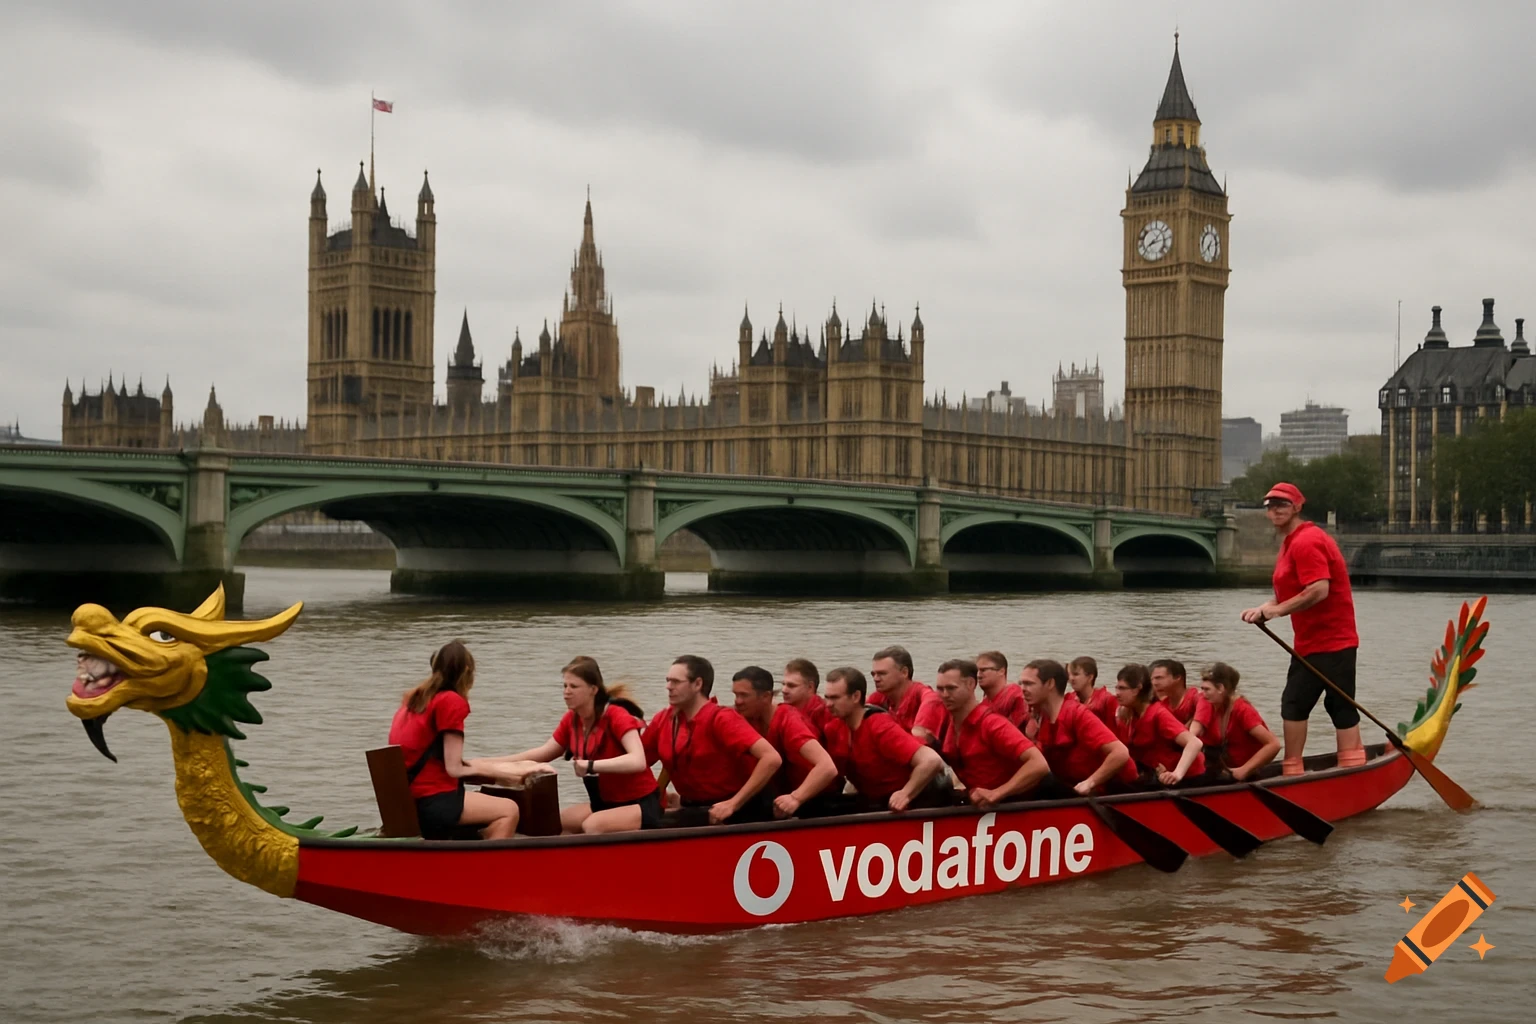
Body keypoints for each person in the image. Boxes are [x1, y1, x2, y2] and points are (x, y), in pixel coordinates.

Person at [1241, 481, 1365, 775]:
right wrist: (1264, 609)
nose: (1275, 510)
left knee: (1328, 704)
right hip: (1310, 642)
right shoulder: (1290, 542)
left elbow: (1319, 589)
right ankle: (1297, 768)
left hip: (1334, 640)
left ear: (1297, 507)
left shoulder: (1307, 541)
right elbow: (1288, 592)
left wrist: (1276, 611)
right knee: (1302, 703)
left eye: (1282, 504)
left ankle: (1345, 764)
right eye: (1270, 505)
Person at [490, 656, 660, 834]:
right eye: (565, 686)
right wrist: (491, 764)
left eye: (574, 687)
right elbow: (542, 753)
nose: (567, 692)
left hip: (641, 804)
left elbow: (638, 760)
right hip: (604, 804)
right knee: (556, 824)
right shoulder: (571, 720)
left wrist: (591, 765)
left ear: (593, 689)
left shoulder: (617, 716)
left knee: (592, 825)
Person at [387, 640, 537, 840]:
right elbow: (454, 769)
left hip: (408, 803)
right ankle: (488, 867)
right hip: (433, 803)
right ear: (467, 671)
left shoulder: (412, 702)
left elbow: (439, 761)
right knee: (509, 810)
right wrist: (503, 776)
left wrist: (498, 771)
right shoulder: (450, 702)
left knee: (484, 806)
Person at [643, 655, 782, 825]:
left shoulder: (722, 718)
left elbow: (771, 758)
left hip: (738, 809)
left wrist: (733, 803)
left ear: (698, 684)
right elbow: (639, 762)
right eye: (667, 681)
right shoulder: (662, 720)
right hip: (695, 807)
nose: (668, 687)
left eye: (676, 682)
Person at [824, 667, 947, 811]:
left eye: (835, 698)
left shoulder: (879, 726)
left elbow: (931, 761)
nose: (828, 704)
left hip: (920, 798)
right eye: (827, 697)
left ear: (856, 697)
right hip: (875, 798)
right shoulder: (833, 728)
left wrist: (905, 794)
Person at [933, 659, 1048, 809]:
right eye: (940, 689)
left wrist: (997, 793)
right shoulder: (946, 722)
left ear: (971, 685)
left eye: (951, 688)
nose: (945, 695)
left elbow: (1039, 764)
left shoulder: (992, 724)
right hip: (979, 803)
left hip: (1016, 803)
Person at [731, 666, 840, 819]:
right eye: (735, 695)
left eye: (744, 696)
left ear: (766, 697)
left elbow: (827, 767)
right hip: (776, 798)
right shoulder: (743, 718)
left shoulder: (788, 720)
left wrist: (796, 798)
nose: (738, 702)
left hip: (816, 800)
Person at [1020, 657, 1133, 795]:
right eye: (1022, 684)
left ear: (1050, 684)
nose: (1023, 689)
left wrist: (1090, 782)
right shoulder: (1040, 717)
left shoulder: (1077, 714)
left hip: (1112, 791)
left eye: (1029, 684)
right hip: (1069, 785)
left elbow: (1120, 753)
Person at [1113, 663, 1205, 786]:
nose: (1117, 693)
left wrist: (1177, 774)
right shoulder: (1129, 713)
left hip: (1186, 778)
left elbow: (1195, 743)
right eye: (1117, 688)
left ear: (1137, 689)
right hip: (1155, 772)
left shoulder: (1158, 713)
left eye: (1122, 688)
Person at [1197, 662, 1281, 781]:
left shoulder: (1242, 709)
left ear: (1221, 688)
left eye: (1207, 690)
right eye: (1202, 689)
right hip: (1222, 768)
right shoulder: (1211, 706)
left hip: (1244, 774)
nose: (1203, 695)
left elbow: (1274, 745)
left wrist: (1244, 770)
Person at [867, 645, 946, 743]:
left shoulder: (924, 696)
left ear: (904, 672)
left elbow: (932, 699)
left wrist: (920, 729)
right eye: (873, 674)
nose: (876, 679)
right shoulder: (881, 696)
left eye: (882, 674)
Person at [1149, 659, 1213, 738]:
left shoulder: (1198, 698)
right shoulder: (1162, 705)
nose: (1154, 683)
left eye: (1159, 678)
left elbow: (1192, 735)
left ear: (1178, 677)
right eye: (1152, 679)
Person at [781, 657, 839, 742]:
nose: (784, 690)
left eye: (791, 686)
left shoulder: (824, 713)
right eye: (783, 684)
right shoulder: (783, 711)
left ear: (810, 687)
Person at [977, 650, 1029, 727]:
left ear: (1001, 671)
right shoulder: (983, 704)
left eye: (983, 670)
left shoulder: (1015, 695)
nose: (978, 675)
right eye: (977, 671)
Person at [1068, 656, 1117, 730]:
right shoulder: (1069, 698)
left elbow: (1114, 730)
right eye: (1069, 675)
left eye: (1076, 674)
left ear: (1090, 677)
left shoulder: (1106, 699)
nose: (1071, 678)